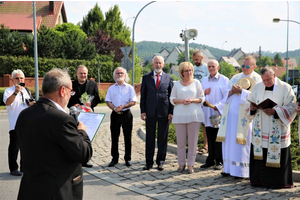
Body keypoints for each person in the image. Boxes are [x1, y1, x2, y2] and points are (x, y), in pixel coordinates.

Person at [15, 68, 93, 200]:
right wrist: (82, 132)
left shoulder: (24, 114)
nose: (70, 96)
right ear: (63, 91)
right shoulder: (62, 120)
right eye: (70, 91)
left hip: (29, 190)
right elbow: (84, 153)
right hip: (56, 192)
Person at [248, 67, 296, 188]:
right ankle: (258, 181)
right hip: (261, 128)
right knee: (260, 153)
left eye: (269, 79)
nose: (267, 83)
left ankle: (277, 182)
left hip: (277, 129)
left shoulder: (286, 87)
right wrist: (252, 108)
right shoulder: (257, 87)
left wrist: (275, 111)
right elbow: (251, 103)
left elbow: (292, 108)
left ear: (274, 75)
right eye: (264, 80)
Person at [216, 56, 262, 178]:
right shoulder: (236, 77)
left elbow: (257, 97)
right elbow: (225, 92)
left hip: (245, 118)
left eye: (247, 66)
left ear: (254, 67)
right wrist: (231, 91)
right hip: (230, 117)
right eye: (243, 66)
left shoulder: (258, 79)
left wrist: (243, 92)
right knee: (229, 141)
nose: (244, 68)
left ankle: (241, 171)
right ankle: (228, 168)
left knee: (241, 143)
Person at [170, 62, 205, 174]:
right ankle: (181, 164)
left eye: (190, 70)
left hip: (194, 115)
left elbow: (201, 98)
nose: (189, 72)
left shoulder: (196, 82)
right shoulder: (177, 84)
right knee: (180, 143)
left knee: (193, 142)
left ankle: (191, 164)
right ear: (182, 72)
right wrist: (182, 101)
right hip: (180, 116)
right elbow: (172, 99)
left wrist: (192, 100)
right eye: (186, 71)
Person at [140, 55, 174, 171]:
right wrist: (143, 111)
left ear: (163, 65)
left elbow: (171, 97)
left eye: (160, 63)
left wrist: (171, 112)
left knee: (162, 138)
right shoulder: (146, 77)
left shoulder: (168, 78)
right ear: (153, 64)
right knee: (149, 138)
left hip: (164, 112)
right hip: (150, 112)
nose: (158, 65)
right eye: (156, 63)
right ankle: (148, 162)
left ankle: (160, 161)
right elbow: (143, 96)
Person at [3, 69, 35, 176]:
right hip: (15, 124)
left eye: (21, 78)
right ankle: (13, 168)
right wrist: (16, 92)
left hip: (27, 123)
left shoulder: (26, 91)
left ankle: (24, 167)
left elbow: (30, 102)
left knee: (26, 147)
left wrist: (32, 104)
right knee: (14, 148)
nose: (19, 80)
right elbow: (8, 102)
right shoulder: (8, 91)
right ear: (12, 80)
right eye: (17, 78)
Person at [67, 65, 100, 168]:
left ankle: (85, 159)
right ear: (77, 74)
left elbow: (97, 99)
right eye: (81, 73)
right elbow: (66, 98)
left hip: (88, 115)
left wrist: (91, 104)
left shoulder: (93, 84)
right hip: (74, 115)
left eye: (85, 73)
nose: (83, 75)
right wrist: (72, 105)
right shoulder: (71, 85)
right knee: (74, 137)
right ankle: (73, 159)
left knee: (87, 137)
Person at [200, 60, 229, 170]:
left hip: (218, 113)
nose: (211, 68)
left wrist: (217, 106)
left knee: (218, 138)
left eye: (213, 66)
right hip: (208, 112)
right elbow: (199, 93)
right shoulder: (204, 80)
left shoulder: (224, 80)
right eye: (209, 66)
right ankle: (210, 159)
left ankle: (219, 161)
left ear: (217, 67)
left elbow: (227, 97)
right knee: (210, 136)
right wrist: (204, 92)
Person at [105, 67, 137, 167]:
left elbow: (133, 101)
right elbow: (108, 101)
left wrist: (123, 106)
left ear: (125, 75)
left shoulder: (129, 87)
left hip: (126, 114)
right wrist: (114, 108)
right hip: (115, 114)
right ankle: (114, 158)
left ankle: (128, 158)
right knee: (114, 137)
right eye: (117, 73)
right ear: (115, 75)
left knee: (127, 137)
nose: (119, 75)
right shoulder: (111, 88)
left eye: (121, 73)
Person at [192, 50, 209, 155]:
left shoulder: (206, 68)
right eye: (194, 60)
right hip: (194, 98)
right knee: (194, 123)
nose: (195, 61)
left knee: (204, 124)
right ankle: (194, 145)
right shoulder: (193, 68)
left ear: (202, 58)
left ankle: (206, 145)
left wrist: (204, 91)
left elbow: (208, 81)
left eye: (197, 59)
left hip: (204, 98)